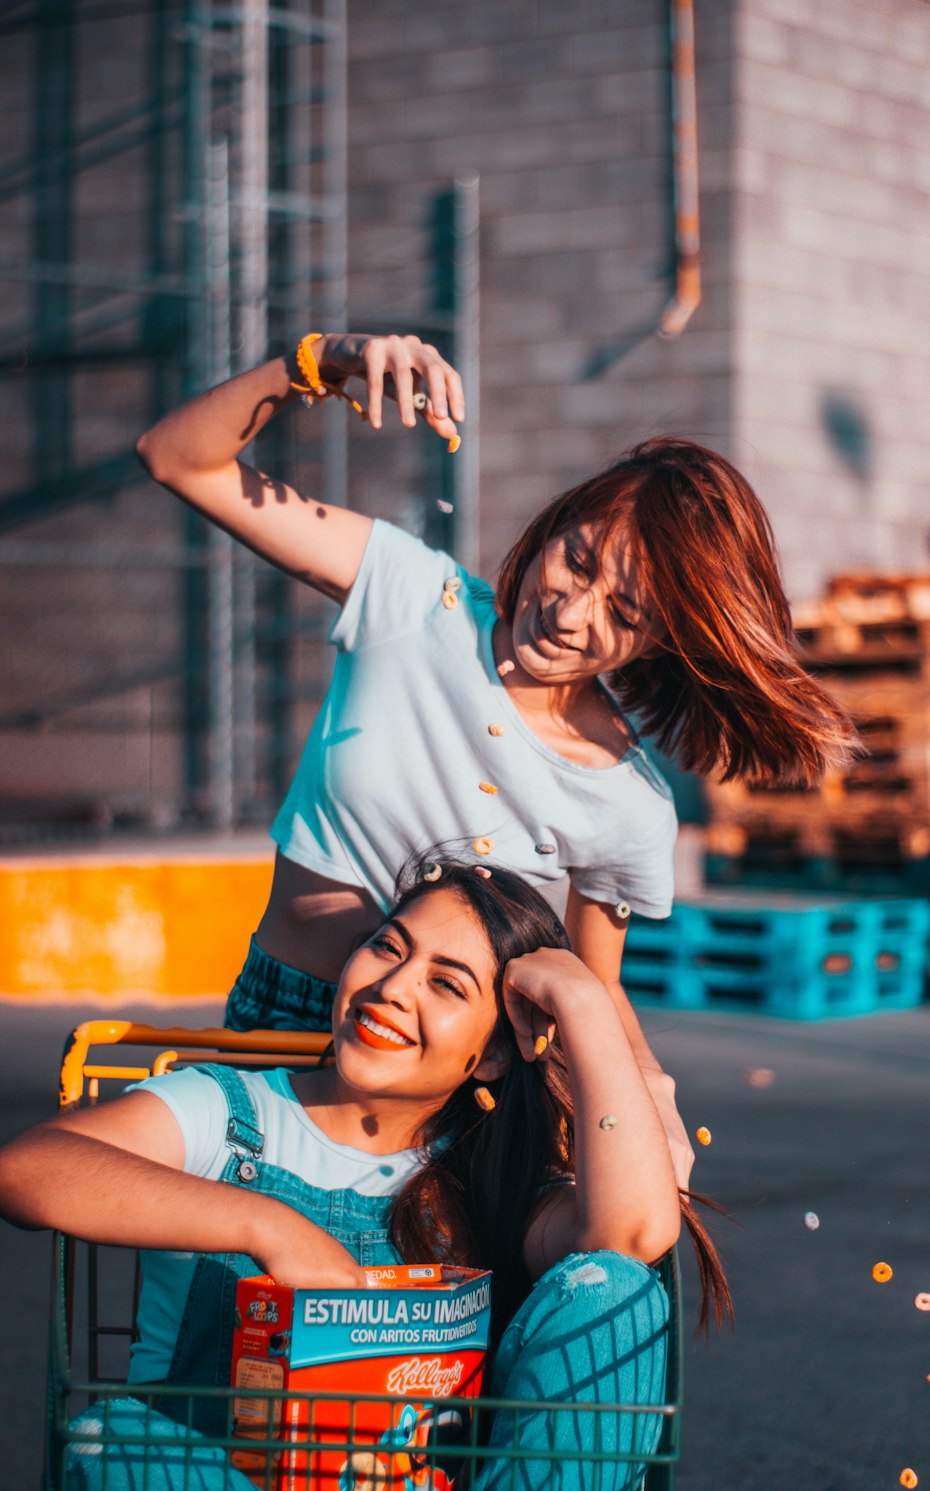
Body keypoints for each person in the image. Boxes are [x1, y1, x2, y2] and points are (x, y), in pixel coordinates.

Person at [134, 332, 857, 1186]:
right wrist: (323, 362)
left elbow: (594, 991)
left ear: (659, 641)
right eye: (578, 561)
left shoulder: (628, 805)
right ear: (556, 524)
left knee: (414, 1320)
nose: (571, 611)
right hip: (283, 1033)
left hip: (454, 1094)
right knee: (241, 1310)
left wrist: (649, 1097)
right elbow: (178, 459)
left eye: (623, 611)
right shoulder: (409, 596)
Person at [0, 859, 731, 1491]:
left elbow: (631, 1237)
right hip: (217, 1476)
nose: (392, 987)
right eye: (388, 946)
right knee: (121, 1444)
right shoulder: (229, 1114)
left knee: (620, 1293)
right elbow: (27, 1171)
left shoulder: (487, 1179)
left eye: (446, 984)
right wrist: (267, 1226)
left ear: (493, 1056)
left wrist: (584, 1004)